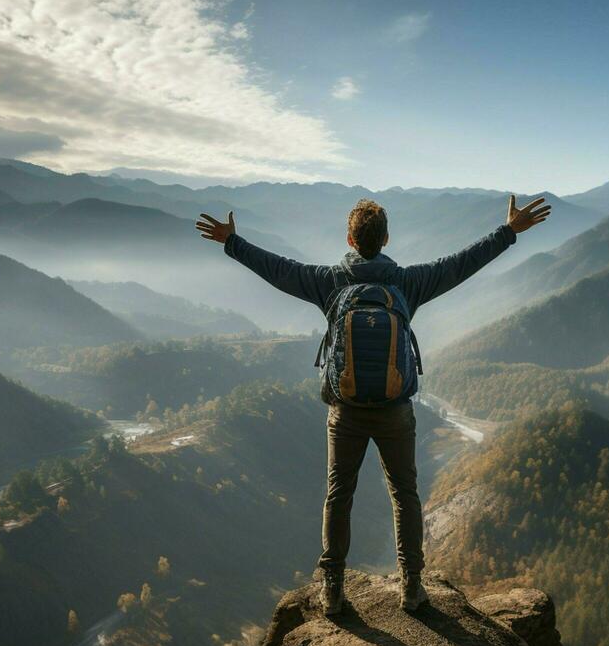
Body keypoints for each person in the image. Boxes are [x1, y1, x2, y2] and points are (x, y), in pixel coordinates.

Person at [196, 194, 551, 614]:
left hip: (344, 411)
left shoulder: (328, 281)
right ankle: (412, 587)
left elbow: (277, 270)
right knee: (405, 494)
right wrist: (508, 232)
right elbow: (462, 264)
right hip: (395, 410)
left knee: (338, 493)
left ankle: (331, 589)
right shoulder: (408, 282)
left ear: (349, 238)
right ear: (385, 239)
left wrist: (232, 242)